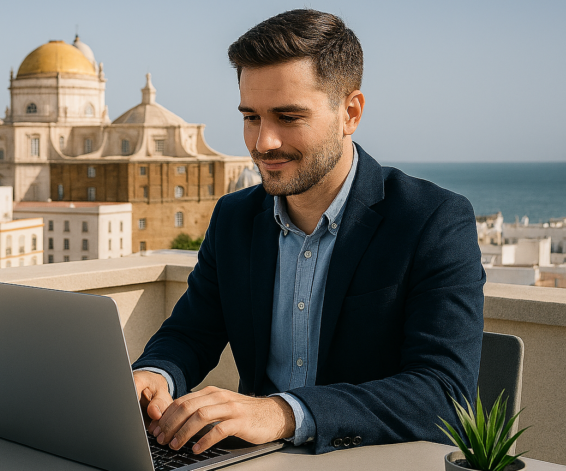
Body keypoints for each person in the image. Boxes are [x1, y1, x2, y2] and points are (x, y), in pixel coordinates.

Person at [131, 9, 485, 455]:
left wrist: (281, 413)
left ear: (350, 112)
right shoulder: (234, 218)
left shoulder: (433, 220)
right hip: (252, 461)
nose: (263, 143)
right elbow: (190, 334)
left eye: (288, 117)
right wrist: (152, 377)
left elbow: (443, 394)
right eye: (251, 117)